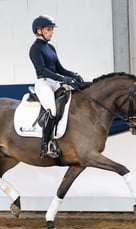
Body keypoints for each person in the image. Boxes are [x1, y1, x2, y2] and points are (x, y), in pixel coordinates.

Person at [29, 15, 84, 159]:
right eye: (48, 29)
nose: (51, 32)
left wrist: (73, 74)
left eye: (52, 29)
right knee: (52, 110)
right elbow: (42, 70)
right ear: (39, 31)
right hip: (44, 83)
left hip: (55, 82)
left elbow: (59, 68)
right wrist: (63, 78)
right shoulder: (35, 49)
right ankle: (45, 145)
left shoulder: (50, 47)